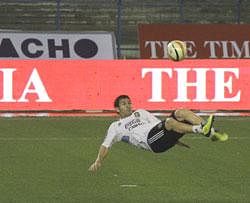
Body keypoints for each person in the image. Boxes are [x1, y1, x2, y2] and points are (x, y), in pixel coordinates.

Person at [88, 95, 228, 172]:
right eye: (124, 104)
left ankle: (210, 131)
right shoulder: (115, 126)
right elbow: (105, 145)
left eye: (129, 102)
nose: (128, 105)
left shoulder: (140, 112)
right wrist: (98, 160)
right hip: (151, 142)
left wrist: (176, 140)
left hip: (159, 134)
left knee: (181, 112)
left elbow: (158, 124)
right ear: (117, 109)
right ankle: (201, 130)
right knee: (169, 122)